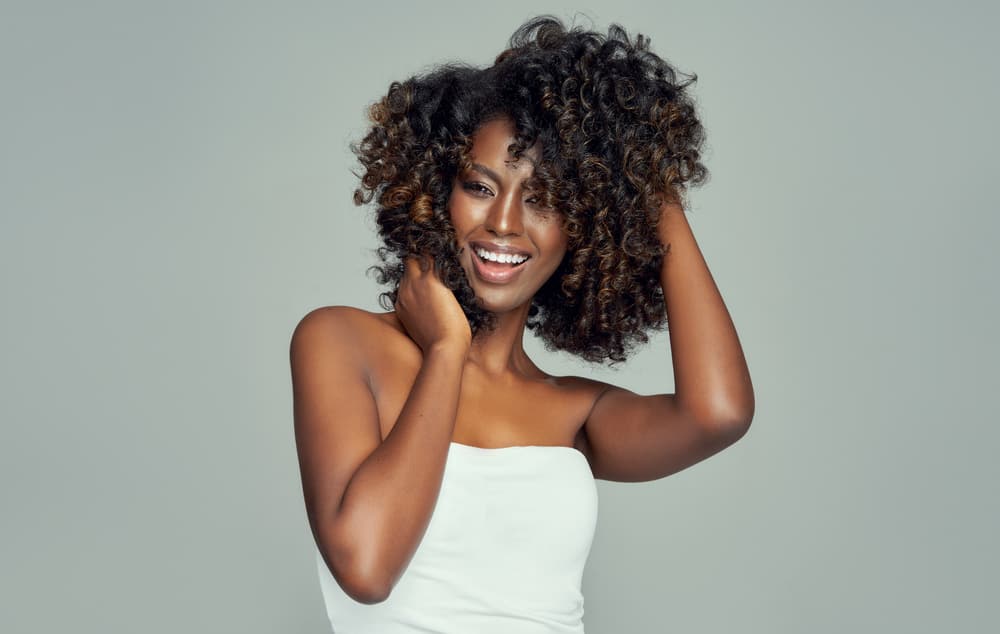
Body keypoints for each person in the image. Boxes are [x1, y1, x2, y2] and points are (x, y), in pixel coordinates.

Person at [290, 16, 754, 634]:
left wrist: (643, 178)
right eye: (481, 186)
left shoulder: (571, 410)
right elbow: (367, 567)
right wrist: (448, 350)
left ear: (585, 225)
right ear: (436, 192)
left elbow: (718, 413)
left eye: (543, 199)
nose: (504, 223)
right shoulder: (342, 343)